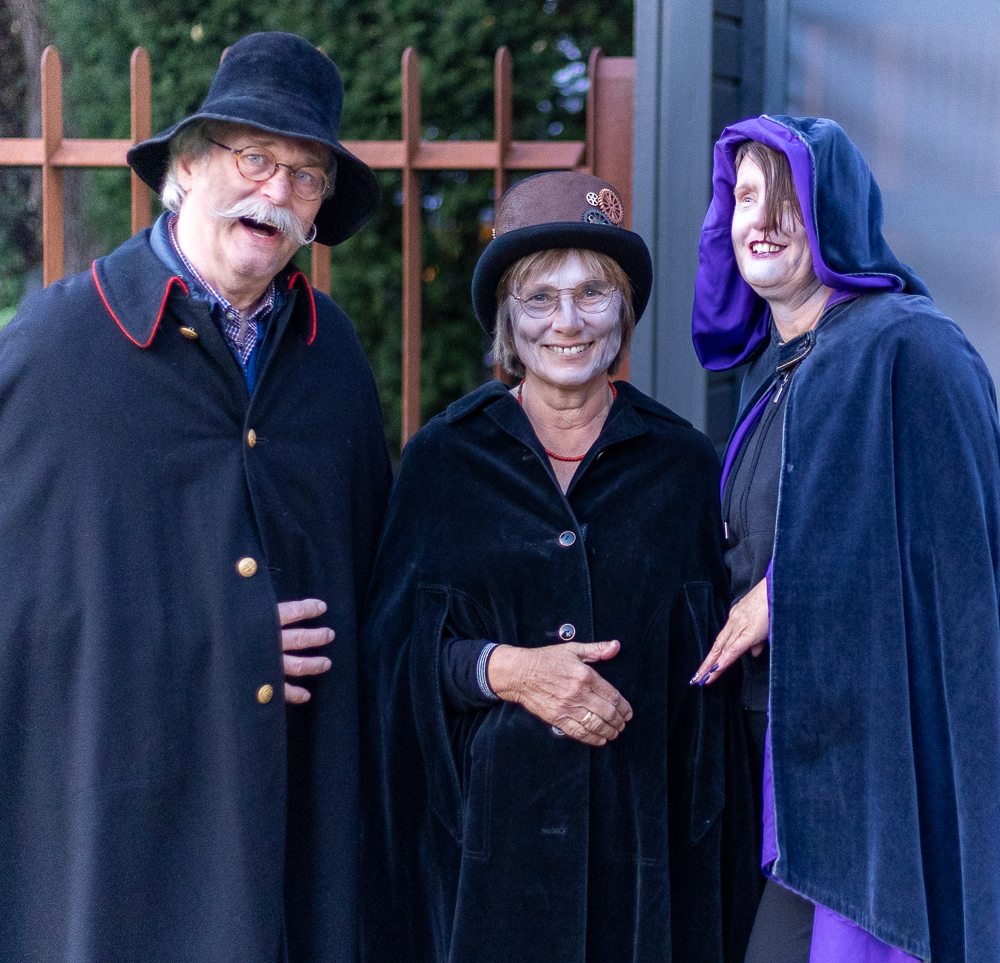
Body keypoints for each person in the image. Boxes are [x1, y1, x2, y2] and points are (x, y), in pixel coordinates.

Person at [0, 32, 391, 963]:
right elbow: (24, 607)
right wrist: (219, 633)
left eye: (306, 175)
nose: (277, 191)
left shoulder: (330, 355)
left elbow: (374, 585)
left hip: (289, 828)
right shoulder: (59, 348)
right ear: (185, 167)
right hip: (120, 840)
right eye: (254, 158)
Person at [358, 170, 758, 963]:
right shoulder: (445, 461)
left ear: (623, 309)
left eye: (592, 293)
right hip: (483, 873)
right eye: (539, 297)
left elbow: (714, 693)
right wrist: (502, 669)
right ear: (508, 318)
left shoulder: (681, 465)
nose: (567, 321)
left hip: (643, 875)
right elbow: (392, 658)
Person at [690, 115, 1000, 963]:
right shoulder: (777, 369)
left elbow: (959, 543)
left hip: (871, 760)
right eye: (745, 197)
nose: (762, 221)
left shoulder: (911, 344)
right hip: (779, 745)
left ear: (837, 214)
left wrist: (789, 589)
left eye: (789, 198)